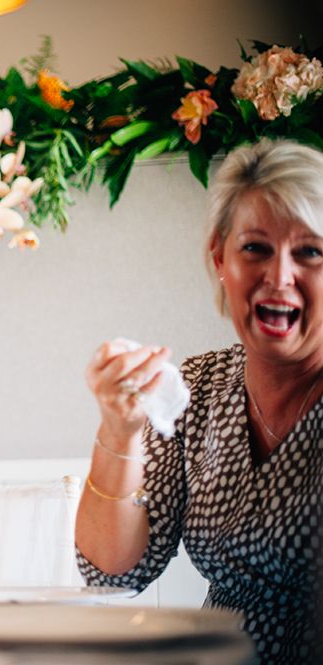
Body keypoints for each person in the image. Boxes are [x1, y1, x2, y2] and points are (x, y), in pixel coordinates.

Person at [76, 139, 323, 664]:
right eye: (256, 248)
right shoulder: (199, 387)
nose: (279, 277)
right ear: (220, 260)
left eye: (310, 252)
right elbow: (113, 573)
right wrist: (118, 429)